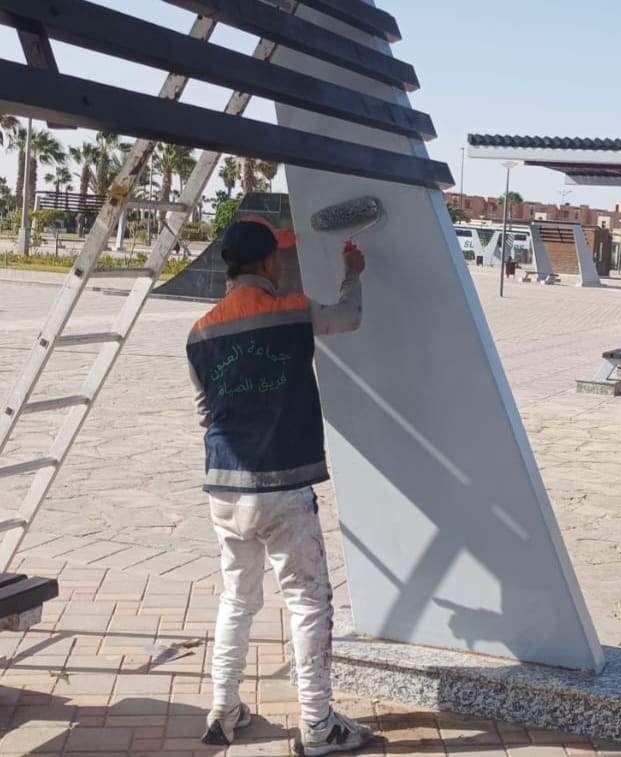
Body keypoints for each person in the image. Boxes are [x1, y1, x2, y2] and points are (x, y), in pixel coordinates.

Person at [186, 220, 372, 754]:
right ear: (269, 263)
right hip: (283, 487)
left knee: (237, 598)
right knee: (308, 601)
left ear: (228, 266)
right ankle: (317, 725)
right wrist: (352, 273)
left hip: (225, 485)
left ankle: (224, 710)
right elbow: (349, 316)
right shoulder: (292, 311)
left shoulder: (200, 333)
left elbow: (206, 411)